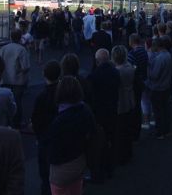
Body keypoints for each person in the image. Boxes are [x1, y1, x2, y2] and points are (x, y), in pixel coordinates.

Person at [44, 76, 96, 195]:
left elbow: (53, 150)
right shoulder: (85, 110)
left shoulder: (60, 121)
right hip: (79, 161)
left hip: (61, 167)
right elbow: (92, 133)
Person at [88, 49, 120, 181]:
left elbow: (90, 96)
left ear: (97, 60)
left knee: (99, 144)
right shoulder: (115, 72)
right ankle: (110, 167)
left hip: (99, 113)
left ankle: (100, 171)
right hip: (112, 110)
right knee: (111, 139)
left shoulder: (94, 76)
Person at [31, 60, 61, 195]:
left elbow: (36, 119)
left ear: (44, 75)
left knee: (45, 171)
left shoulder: (42, 96)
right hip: (60, 135)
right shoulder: (64, 92)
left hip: (45, 136)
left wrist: (37, 134)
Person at [0, 29, 30, 128]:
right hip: (18, 81)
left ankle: (6, 122)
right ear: (20, 37)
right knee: (17, 103)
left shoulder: (3, 48)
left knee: (5, 102)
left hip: (5, 80)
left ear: (11, 37)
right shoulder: (21, 49)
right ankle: (17, 124)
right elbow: (26, 67)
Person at [111, 45, 136, 165]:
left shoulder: (117, 72)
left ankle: (121, 155)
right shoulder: (130, 67)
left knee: (120, 131)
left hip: (121, 101)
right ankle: (128, 152)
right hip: (130, 99)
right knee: (127, 128)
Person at [147, 37, 172, 139]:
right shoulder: (168, 55)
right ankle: (166, 130)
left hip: (157, 88)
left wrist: (148, 68)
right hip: (166, 86)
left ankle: (160, 132)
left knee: (158, 111)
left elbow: (154, 75)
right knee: (165, 110)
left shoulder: (159, 58)